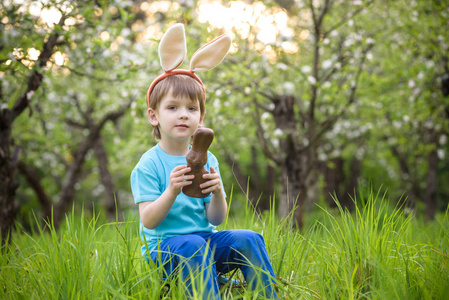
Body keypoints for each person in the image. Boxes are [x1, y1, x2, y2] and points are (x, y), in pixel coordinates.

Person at [130, 24, 278, 299]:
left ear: (201, 117)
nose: (183, 115)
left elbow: (216, 218)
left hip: (205, 242)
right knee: (194, 245)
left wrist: (218, 191)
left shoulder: (207, 159)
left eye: (191, 108)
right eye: (172, 108)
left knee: (250, 239)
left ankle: (266, 295)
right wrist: (171, 191)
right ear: (154, 116)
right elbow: (149, 221)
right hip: (166, 251)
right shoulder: (149, 164)